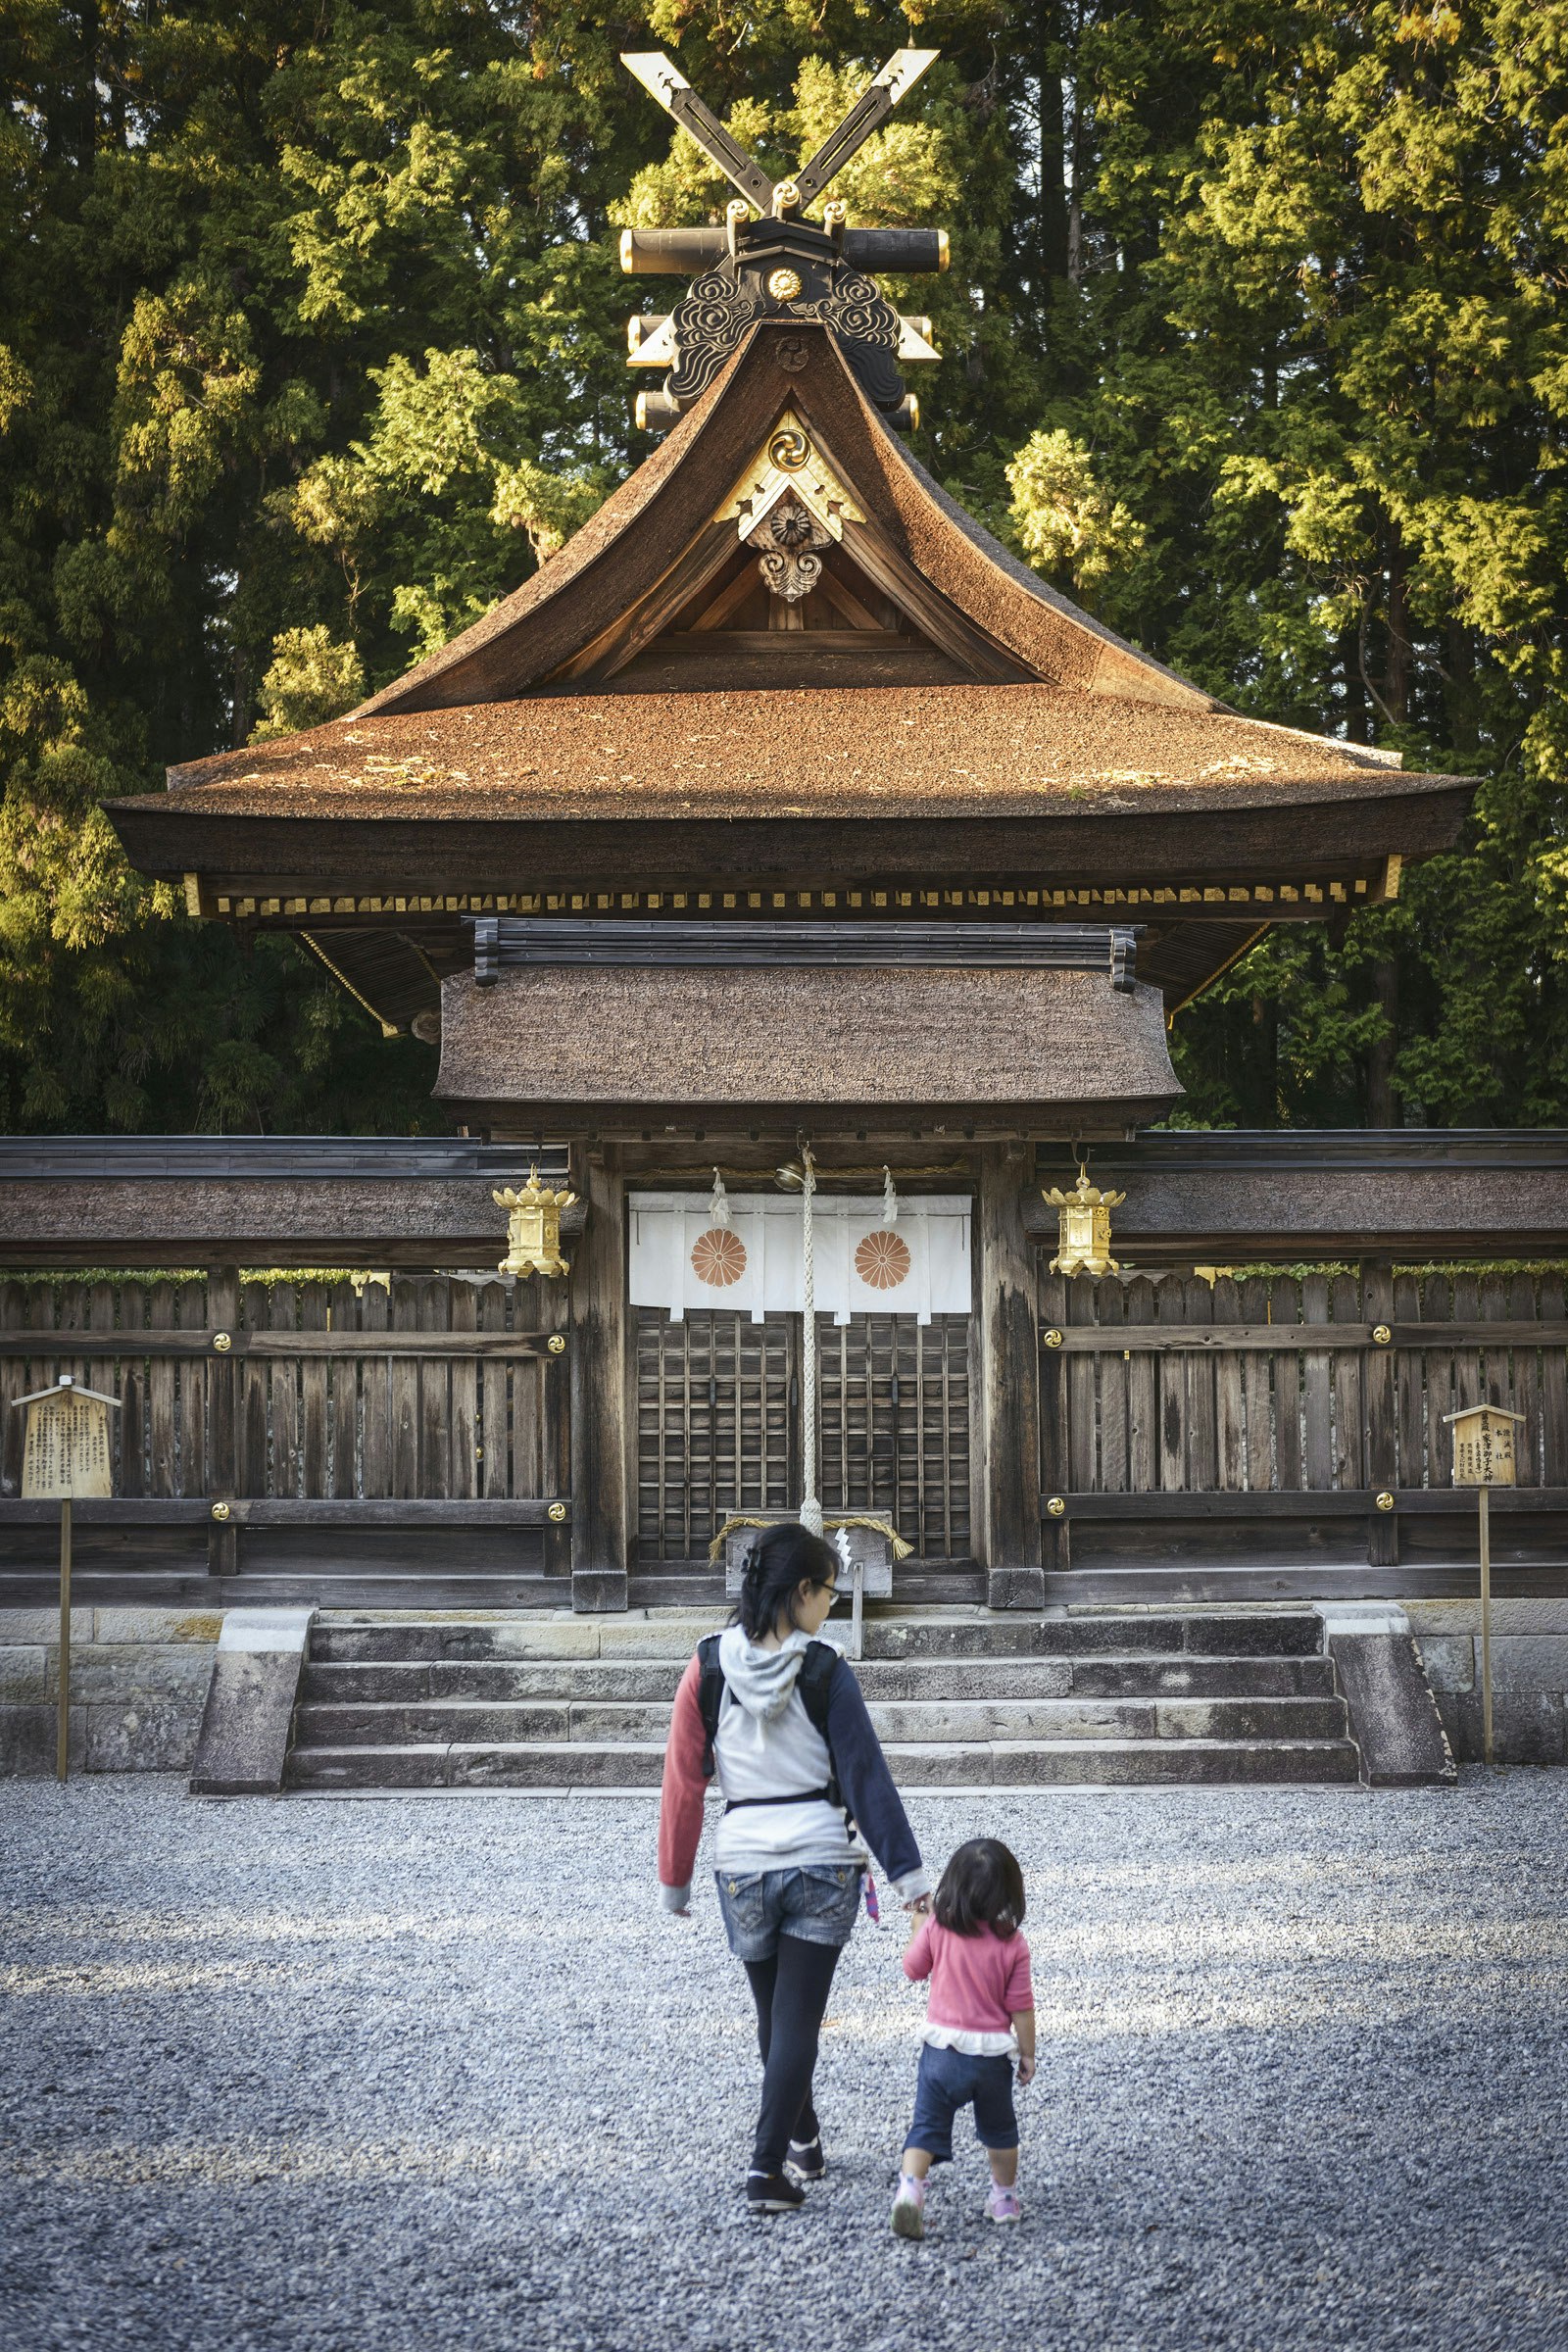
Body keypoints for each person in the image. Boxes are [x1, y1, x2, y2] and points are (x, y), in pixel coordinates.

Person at [659, 1520, 932, 2215]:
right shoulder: (825, 1668)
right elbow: (865, 1776)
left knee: (775, 2017)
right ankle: (764, 2170)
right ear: (802, 1590)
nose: (832, 1608)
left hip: (742, 1860)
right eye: (829, 1595)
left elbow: (684, 1779)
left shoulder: (706, 1665)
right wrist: (910, 1880)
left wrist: (675, 1879)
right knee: (798, 2022)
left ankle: (802, 2140)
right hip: (818, 1856)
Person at [890, 1836, 1036, 2237]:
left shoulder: (938, 1926)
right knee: (1001, 2132)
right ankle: (1004, 2198)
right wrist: (1028, 2054)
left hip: (941, 2052)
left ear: (950, 1884)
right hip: (990, 2058)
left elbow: (912, 1969)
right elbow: (1021, 2005)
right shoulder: (1012, 1943)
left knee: (925, 2128)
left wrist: (919, 1923)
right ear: (1009, 1891)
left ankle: (909, 2190)